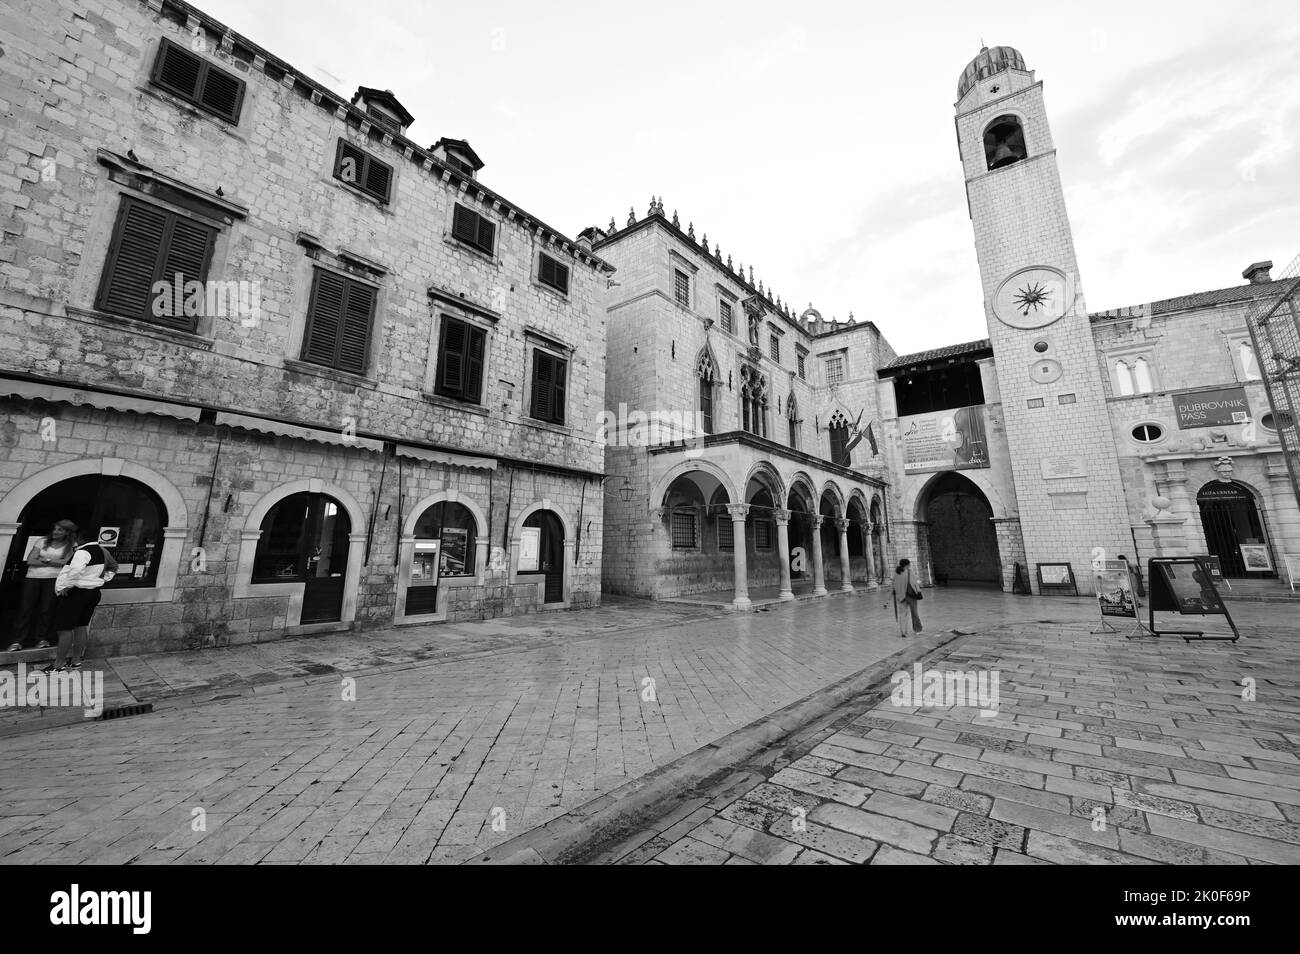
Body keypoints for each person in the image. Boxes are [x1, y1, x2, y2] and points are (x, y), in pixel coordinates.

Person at [44, 532, 117, 672]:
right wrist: (101, 580)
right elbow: (113, 566)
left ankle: (58, 665)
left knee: (64, 628)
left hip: (77, 593)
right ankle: (76, 660)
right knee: (81, 626)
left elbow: (76, 570)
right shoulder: (103, 550)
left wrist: (67, 585)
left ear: (78, 538)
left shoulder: (83, 552)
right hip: (93, 592)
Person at [5, 519, 77, 652]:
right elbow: (31, 560)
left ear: (67, 532)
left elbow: (67, 562)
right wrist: (54, 562)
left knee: (46, 609)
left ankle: (41, 638)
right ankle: (17, 640)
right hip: (32, 578)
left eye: (60, 530)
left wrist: (44, 559)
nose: (55, 532)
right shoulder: (42, 541)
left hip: (53, 579)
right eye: (55, 529)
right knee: (25, 608)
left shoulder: (71, 545)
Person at [893, 558, 923, 637]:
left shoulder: (896, 573)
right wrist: (918, 591)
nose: (909, 566)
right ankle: (917, 629)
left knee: (902, 614)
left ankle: (903, 632)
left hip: (900, 597)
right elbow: (914, 583)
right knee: (914, 613)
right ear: (906, 565)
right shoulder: (909, 572)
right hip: (910, 596)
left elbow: (894, 585)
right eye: (909, 564)